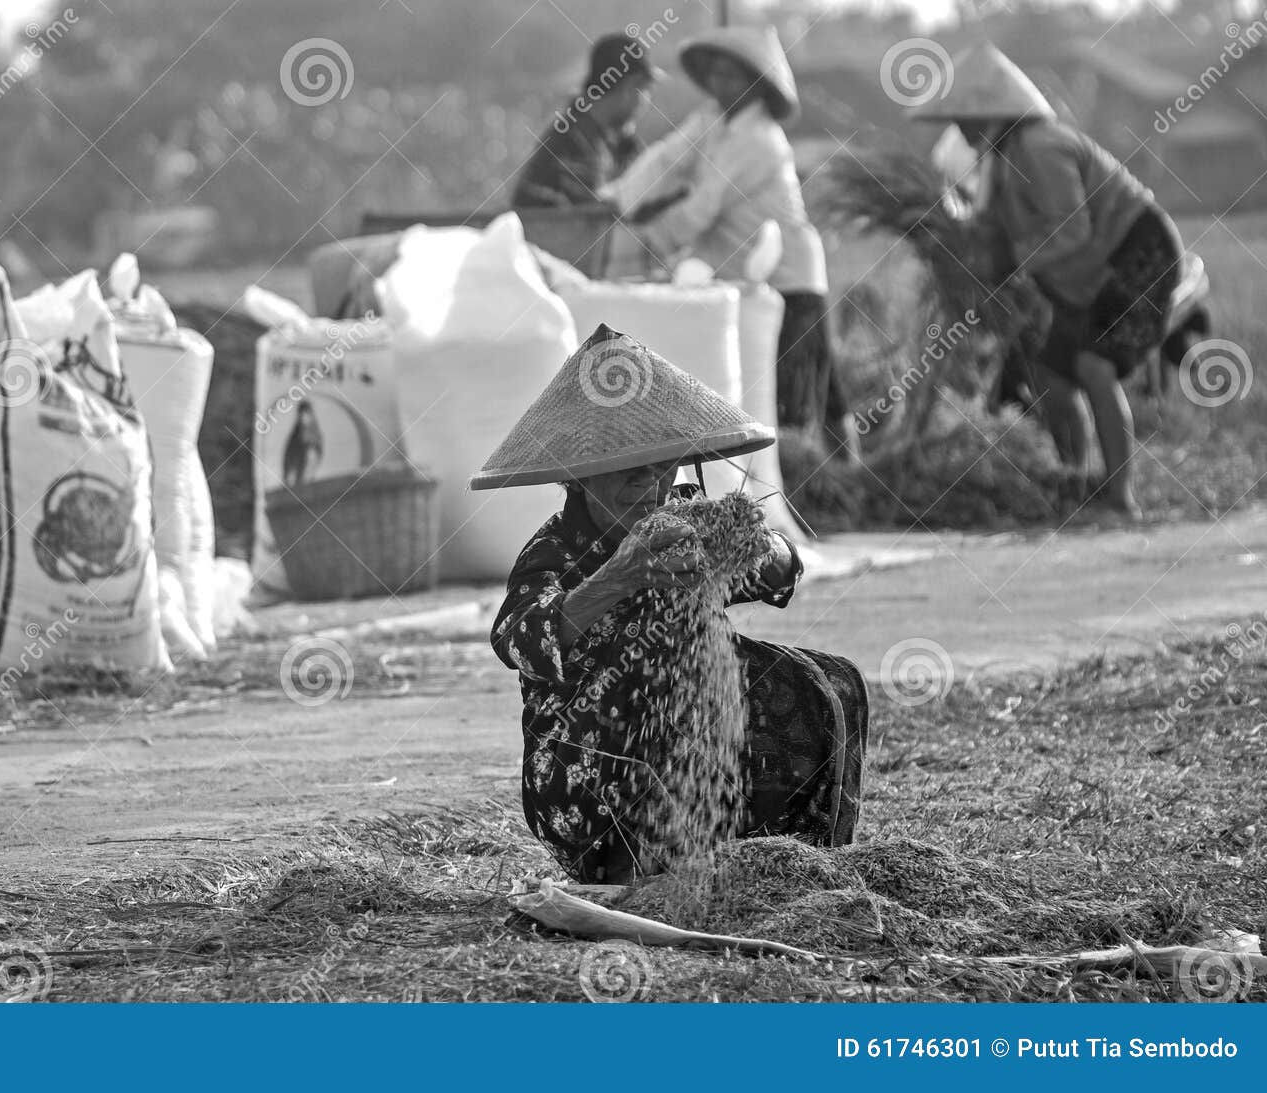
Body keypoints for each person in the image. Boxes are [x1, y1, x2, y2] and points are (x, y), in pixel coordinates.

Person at [474, 324, 867, 884]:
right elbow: (517, 638)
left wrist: (758, 543)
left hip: (693, 745)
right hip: (588, 777)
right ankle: (634, 867)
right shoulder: (554, 549)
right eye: (627, 471)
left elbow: (783, 572)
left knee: (834, 682)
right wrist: (618, 577)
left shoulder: (686, 521)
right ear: (580, 478)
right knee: (661, 663)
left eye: (662, 467)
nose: (649, 486)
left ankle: (799, 867)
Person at [910, 43, 1184, 519]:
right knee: (1052, 375)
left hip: (1140, 254)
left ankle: (1121, 500)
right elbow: (990, 236)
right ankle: (1072, 483)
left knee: (1096, 367)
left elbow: (1072, 231)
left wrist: (1016, 259)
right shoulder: (997, 163)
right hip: (1087, 275)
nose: (960, 128)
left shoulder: (1041, 146)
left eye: (964, 117)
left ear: (991, 113)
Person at [601, 24, 859, 464]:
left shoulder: (761, 141)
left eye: (732, 76)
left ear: (755, 83)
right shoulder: (711, 122)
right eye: (715, 74)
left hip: (791, 279)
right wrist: (616, 198)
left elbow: (702, 208)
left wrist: (641, 241)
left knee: (805, 392)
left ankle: (834, 482)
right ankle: (837, 476)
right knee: (817, 386)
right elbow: (667, 157)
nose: (720, 84)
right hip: (753, 275)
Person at [510, 31, 661, 210]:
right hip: (548, 236)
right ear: (630, 88)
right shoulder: (574, 141)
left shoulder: (600, 136)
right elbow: (594, 219)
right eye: (645, 89)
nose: (646, 101)